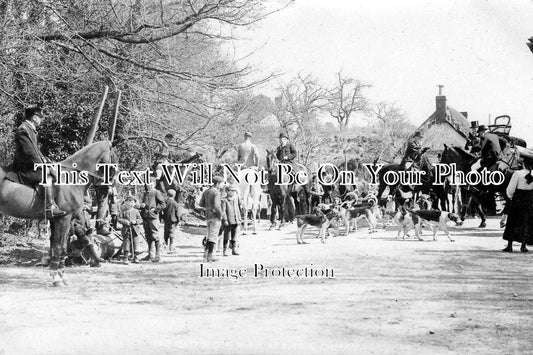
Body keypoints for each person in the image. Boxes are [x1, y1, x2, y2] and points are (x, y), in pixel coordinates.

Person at [13, 106, 66, 218]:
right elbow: (29, 152)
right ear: (34, 117)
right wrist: (43, 166)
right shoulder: (23, 129)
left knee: (53, 169)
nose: (41, 120)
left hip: (31, 163)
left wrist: (45, 160)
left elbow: (36, 151)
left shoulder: (30, 129)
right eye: (40, 117)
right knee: (46, 176)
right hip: (25, 166)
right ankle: (49, 207)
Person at [502, 154, 533, 253]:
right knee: (526, 222)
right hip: (529, 200)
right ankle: (523, 246)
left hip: (518, 199)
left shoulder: (518, 173)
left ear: (523, 164)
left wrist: (511, 197)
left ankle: (509, 246)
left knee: (513, 221)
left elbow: (510, 189)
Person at [140, 175, 166, 262]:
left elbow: (163, 204)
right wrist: (142, 206)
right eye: (147, 184)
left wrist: (155, 210)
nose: (148, 185)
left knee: (155, 236)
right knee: (148, 236)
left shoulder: (156, 192)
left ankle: (158, 255)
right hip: (145, 217)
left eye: (150, 184)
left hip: (153, 217)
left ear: (154, 184)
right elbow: (145, 204)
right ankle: (150, 255)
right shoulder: (145, 193)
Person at [199, 176, 223, 262]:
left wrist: (208, 206)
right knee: (213, 236)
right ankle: (210, 256)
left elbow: (201, 204)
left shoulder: (206, 191)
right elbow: (217, 206)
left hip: (207, 216)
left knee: (209, 236)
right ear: (217, 183)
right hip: (215, 216)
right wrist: (220, 215)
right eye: (220, 184)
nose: (221, 186)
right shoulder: (216, 192)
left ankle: (205, 254)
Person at [117, 196, 143, 264]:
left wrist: (135, 221)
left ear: (134, 203)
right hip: (126, 230)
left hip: (135, 230)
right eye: (128, 202)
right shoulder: (123, 211)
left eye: (132, 202)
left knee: (135, 243)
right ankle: (126, 257)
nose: (130, 204)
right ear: (125, 202)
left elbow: (140, 219)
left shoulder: (136, 211)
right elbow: (119, 219)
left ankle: (135, 257)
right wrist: (125, 222)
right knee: (126, 243)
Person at [221, 185, 243, 256]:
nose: (233, 192)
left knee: (234, 236)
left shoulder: (236, 199)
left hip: (236, 220)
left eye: (234, 191)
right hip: (228, 221)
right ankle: (225, 250)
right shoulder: (224, 200)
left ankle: (234, 249)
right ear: (227, 191)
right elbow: (223, 211)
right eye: (231, 191)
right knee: (226, 236)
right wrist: (225, 220)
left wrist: (239, 219)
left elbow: (238, 209)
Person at [163, 189, 181, 253]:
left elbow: (162, 210)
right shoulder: (175, 203)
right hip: (173, 220)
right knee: (172, 232)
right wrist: (179, 220)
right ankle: (171, 245)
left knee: (166, 231)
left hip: (166, 219)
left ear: (167, 194)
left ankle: (165, 244)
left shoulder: (165, 202)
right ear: (174, 195)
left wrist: (162, 217)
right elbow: (177, 213)